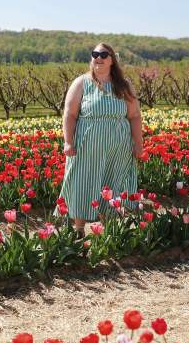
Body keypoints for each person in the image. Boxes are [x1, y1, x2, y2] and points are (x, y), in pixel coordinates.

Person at [59, 42, 143, 234]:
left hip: (118, 149)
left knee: (112, 184)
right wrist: (68, 141)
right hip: (87, 147)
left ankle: (109, 232)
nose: (98, 58)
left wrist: (139, 145)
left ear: (112, 60)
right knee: (82, 183)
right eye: (95, 54)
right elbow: (70, 114)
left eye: (103, 55)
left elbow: (134, 116)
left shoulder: (123, 86)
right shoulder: (81, 83)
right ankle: (79, 229)